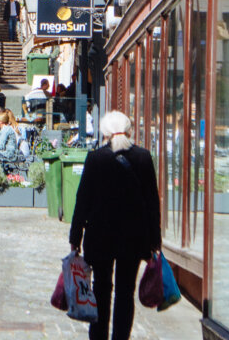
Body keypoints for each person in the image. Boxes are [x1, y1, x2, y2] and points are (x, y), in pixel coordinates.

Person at [69, 111, 161, 340]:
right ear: (129, 130)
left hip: (100, 236)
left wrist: (75, 238)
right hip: (133, 237)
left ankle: (98, 336)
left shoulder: (96, 158)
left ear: (105, 132)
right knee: (125, 293)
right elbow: (152, 202)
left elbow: (83, 200)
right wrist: (154, 241)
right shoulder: (143, 157)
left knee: (100, 289)